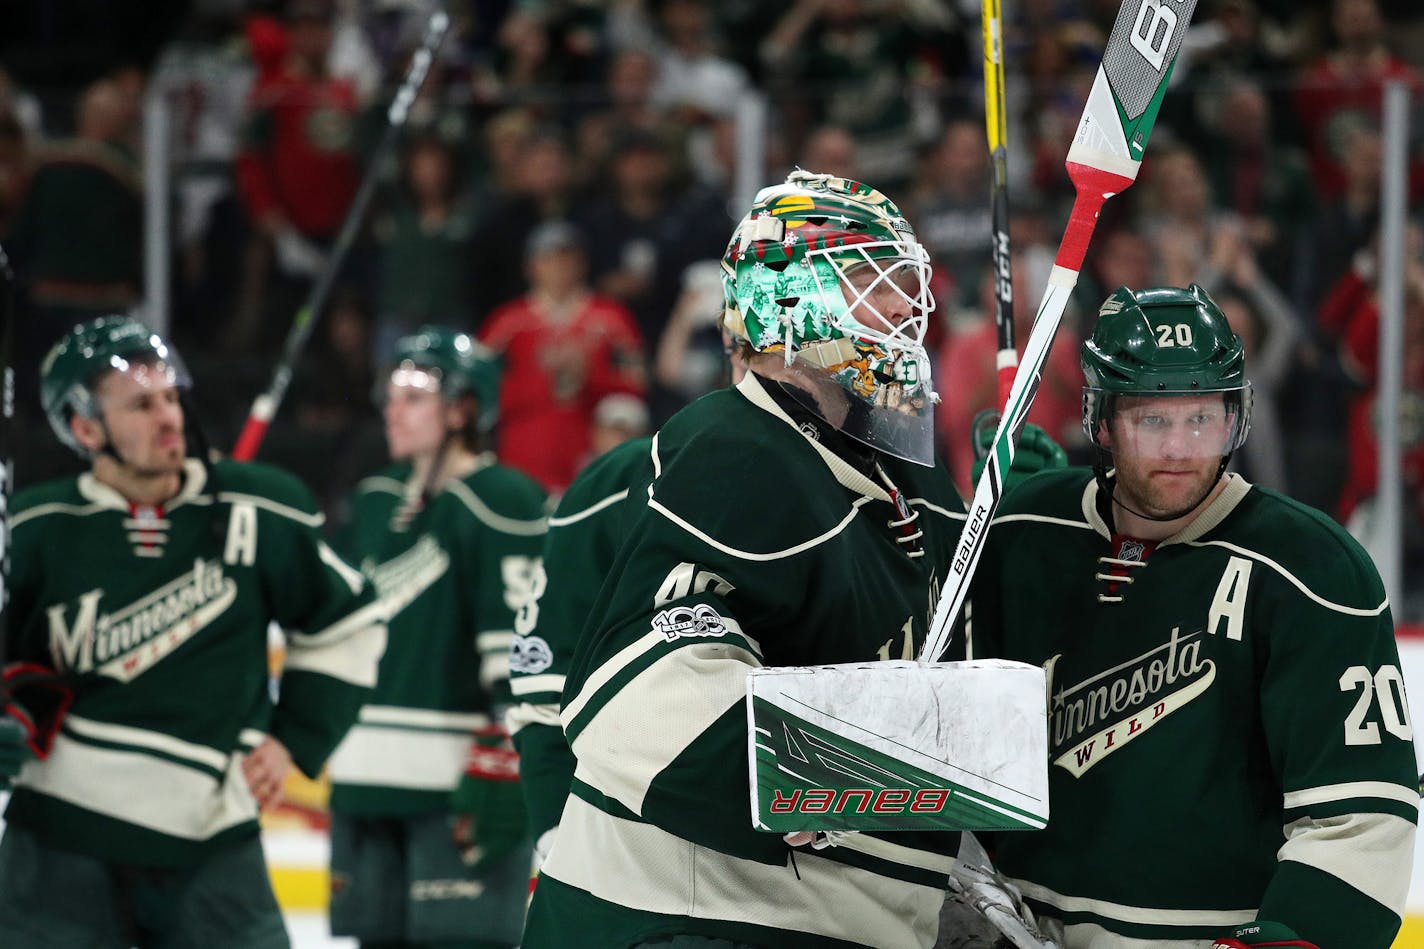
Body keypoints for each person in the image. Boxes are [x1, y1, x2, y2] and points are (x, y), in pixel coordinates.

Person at [520, 170, 971, 948]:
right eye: (871, 281)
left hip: (810, 915)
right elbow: (641, 693)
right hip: (688, 915)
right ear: (787, 298)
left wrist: (1029, 518)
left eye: (905, 281)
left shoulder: (902, 470)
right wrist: (814, 772)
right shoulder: (733, 449)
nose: (904, 307)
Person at [970, 285, 1417, 948]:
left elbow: (1363, 817)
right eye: (1154, 420)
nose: (1181, 448)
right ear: (1103, 421)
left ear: (1234, 417)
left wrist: (1286, 939)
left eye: (1202, 418)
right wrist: (967, 520)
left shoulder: (1313, 569)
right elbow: (935, 709)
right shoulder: (1026, 531)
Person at [0, 315, 387, 947]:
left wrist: (295, 737)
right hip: (60, 846)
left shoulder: (259, 507)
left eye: (172, 397)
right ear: (84, 427)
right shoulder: (35, 528)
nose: (170, 417)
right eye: (141, 405)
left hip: (213, 846)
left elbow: (349, 620)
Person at [326, 326, 548, 948]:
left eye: (414, 394)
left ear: (464, 408)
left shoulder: (502, 499)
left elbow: (520, 665)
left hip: (457, 785)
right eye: (389, 394)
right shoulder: (373, 501)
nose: (392, 409)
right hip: (362, 777)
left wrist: (511, 765)